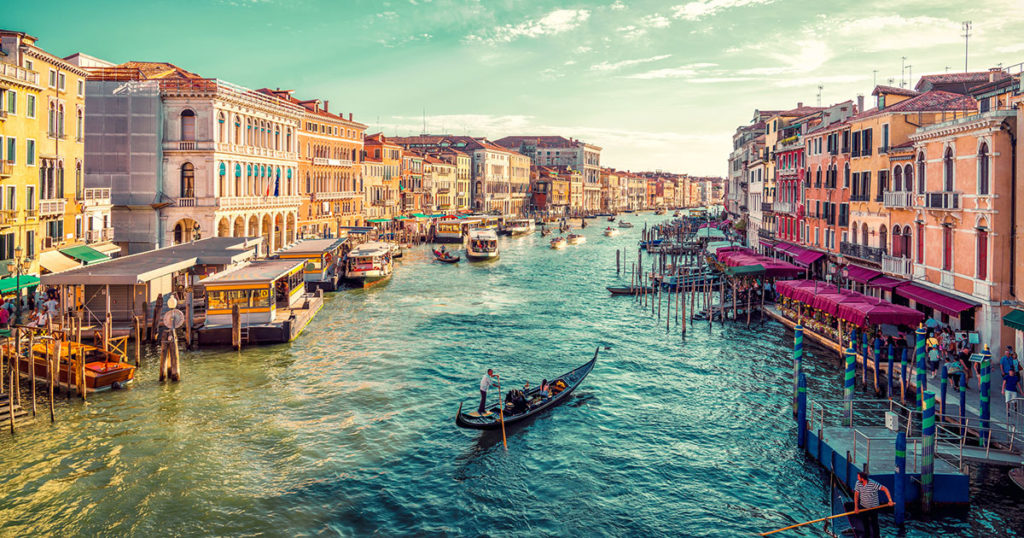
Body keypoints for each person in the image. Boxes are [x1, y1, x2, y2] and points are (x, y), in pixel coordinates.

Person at [853, 471, 892, 538]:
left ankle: (876, 536)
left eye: (858, 477)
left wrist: (890, 500)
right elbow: (856, 495)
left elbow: (885, 489)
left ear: (862, 478)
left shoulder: (873, 484)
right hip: (863, 506)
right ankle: (867, 535)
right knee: (865, 522)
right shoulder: (858, 483)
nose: (857, 478)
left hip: (873, 507)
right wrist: (856, 507)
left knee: (874, 523)